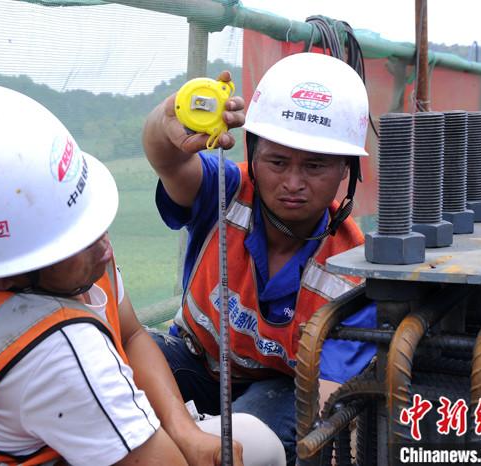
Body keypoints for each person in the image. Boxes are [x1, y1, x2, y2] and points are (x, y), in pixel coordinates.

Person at [0, 83, 285, 465]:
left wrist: (184, 431)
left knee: (253, 440)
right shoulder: (59, 352)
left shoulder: (38, 268)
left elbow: (130, 332)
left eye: (91, 224)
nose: (105, 248)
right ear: (10, 272)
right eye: (74, 240)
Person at [142, 52, 377, 464]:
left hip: (281, 394)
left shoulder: (352, 274)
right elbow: (168, 159)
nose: (292, 183)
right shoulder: (225, 190)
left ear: (346, 170)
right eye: (277, 161)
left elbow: (327, 398)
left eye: (315, 166)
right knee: (115, 371)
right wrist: (165, 123)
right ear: (253, 152)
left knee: (245, 443)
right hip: (194, 363)